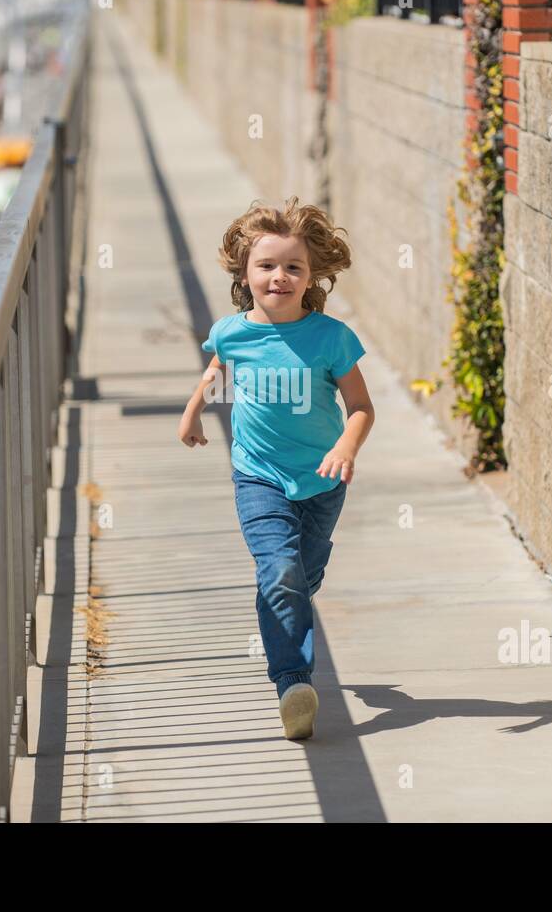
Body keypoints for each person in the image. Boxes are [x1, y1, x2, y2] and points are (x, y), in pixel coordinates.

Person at [177, 196, 375, 740]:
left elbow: (361, 408)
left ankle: (295, 597)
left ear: (312, 276)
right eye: (267, 266)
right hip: (258, 476)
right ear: (245, 271)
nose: (280, 277)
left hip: (321, 483)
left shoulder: (331, 338)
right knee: (279, 573)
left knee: (300, 576)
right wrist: (194, 410)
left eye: (294, 267)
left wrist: (347, 449)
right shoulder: (232, 331)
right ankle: (293, 683)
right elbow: (218, 366)